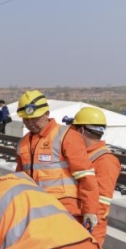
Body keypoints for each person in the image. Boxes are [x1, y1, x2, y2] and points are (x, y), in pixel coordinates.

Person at [15, 90, 98, 230]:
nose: (30, 123)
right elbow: (19, 179)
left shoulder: (66, 136)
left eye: (34, 118)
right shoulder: (23, 143)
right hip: (35, 210)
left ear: (46, 113)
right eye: (26, 119)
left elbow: (86, 176)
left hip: (64, 210)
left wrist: (90, 210)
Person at [69, 106, 122, 249]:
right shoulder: (85, 155)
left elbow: (101, 204)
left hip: (90, 227)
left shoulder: (105, 160)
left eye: (73, 130)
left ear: (81, 130)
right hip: (78, 224)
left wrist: (86, 232)